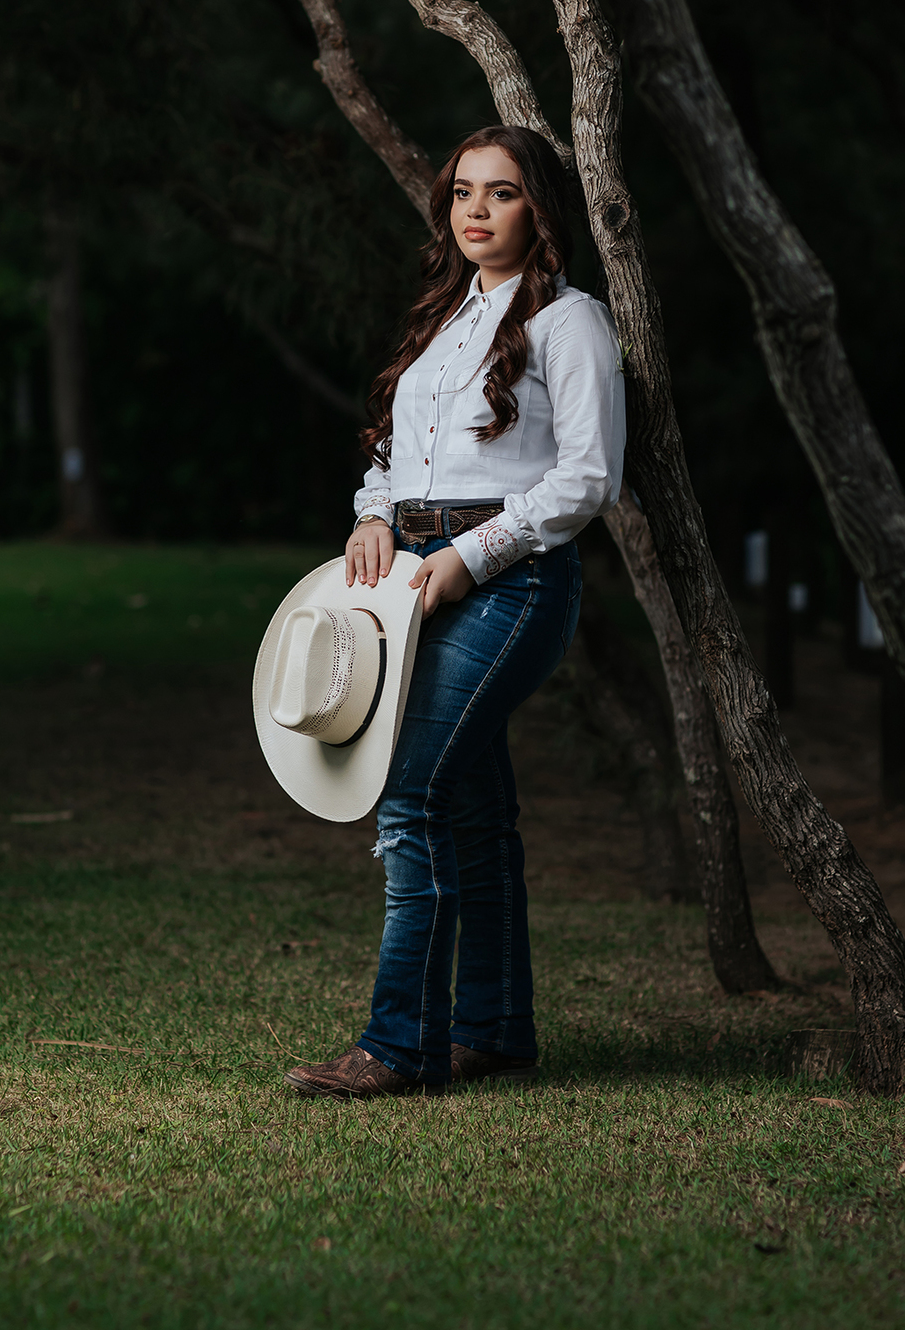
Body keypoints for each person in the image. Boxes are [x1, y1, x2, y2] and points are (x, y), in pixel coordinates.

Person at [285, 124, 626, 1099]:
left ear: (540, 209)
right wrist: (375, 515)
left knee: (410, 794)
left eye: (502, 192)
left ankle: (400, 1046)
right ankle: (495, 1029)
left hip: (513, 581)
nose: (477, 210)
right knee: (474, 810)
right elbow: (398, 453)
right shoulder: (446, 317)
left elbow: (587, 479)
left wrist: (469, 561)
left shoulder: (570, 322)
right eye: (464, 191)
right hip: (413, 573)